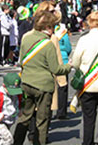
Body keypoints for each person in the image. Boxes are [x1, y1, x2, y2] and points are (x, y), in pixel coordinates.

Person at [13, 11, 72, 145]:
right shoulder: (48, 44)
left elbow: (21, 61)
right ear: (48, 27)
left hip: (27, 83)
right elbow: (56, 69)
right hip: (43, 86)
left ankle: (17, 142)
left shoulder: (26, 38)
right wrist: (69, 66)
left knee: (24, 117)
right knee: (42, 120)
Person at [71, 11, 98, 145]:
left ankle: (88, 142)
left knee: (88, 120)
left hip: (88, 84)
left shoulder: (84, 39)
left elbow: (76, 61)